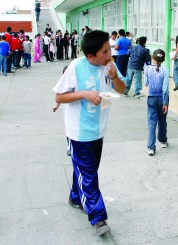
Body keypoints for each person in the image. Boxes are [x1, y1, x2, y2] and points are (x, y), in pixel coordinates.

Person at [53, 30, 125, 236]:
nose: (109, 54)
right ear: (90, 56)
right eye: (104, 51)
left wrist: (113, 76)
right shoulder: (76, 67)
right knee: (90, 176)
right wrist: (84, 94)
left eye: (109, 49)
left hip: (98, 130)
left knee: (87, 171)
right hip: (79, 133)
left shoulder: (109, 65)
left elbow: (122, 89)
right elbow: (59, 97)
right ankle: (98, 217)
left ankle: (76, 196)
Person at [144, 49, 169, 156]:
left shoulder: (147, 68)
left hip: (151, 98)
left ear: (153, 58)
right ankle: (163, 141)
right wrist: (165, 103)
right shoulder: (165, 70)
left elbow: (146, 83)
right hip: (162, 98)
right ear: (163, 59)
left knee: (152, 122)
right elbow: (165, 88)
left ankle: (151, 147)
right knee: (162, 121)